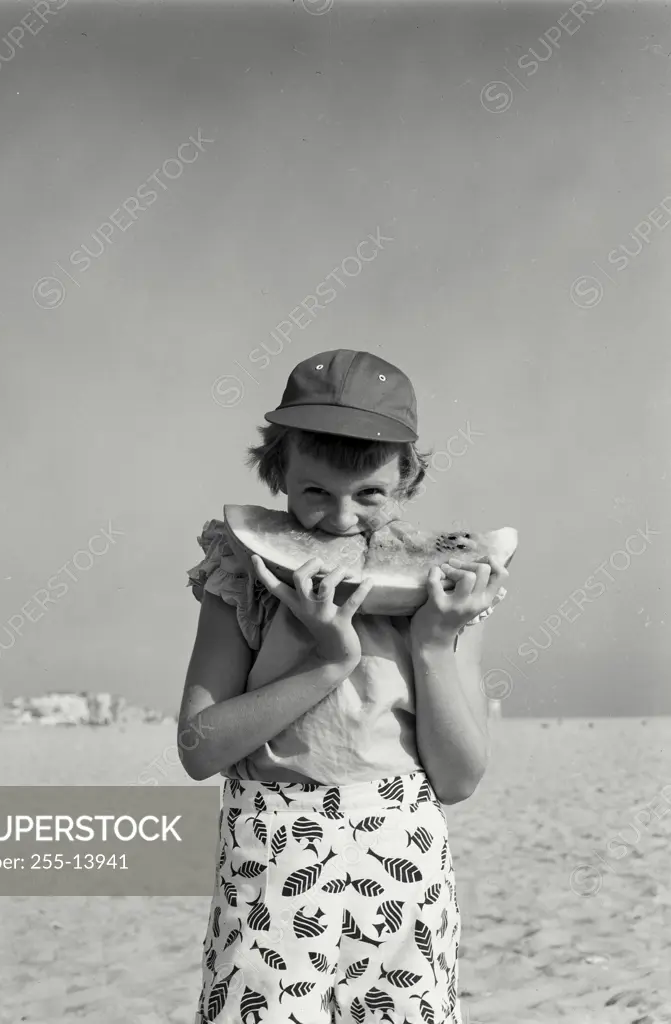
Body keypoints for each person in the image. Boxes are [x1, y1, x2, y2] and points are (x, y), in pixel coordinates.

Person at [179, 349, 509, 1024]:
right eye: (313, 493)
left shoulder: (444, 587)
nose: (338, 521)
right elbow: (197, 748)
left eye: (369, 495)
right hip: (272, 843)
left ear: (407, 477)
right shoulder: (242, 574)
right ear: (276, 473)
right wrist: (327, 662)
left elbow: (457, 779)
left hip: (400, 846)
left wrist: (434, 642)